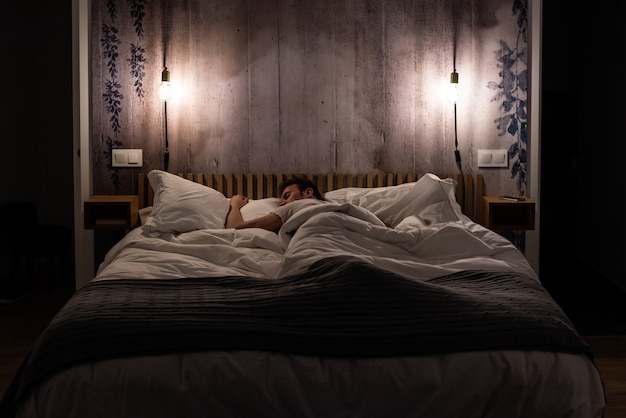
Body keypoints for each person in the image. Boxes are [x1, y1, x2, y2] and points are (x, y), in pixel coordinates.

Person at [226, 176, 325, 232]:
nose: (283, 204)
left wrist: (234, 205)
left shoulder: (295, 206)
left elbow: (234, 228)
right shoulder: (335, 207)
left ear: (308, 193)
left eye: (287, 196)